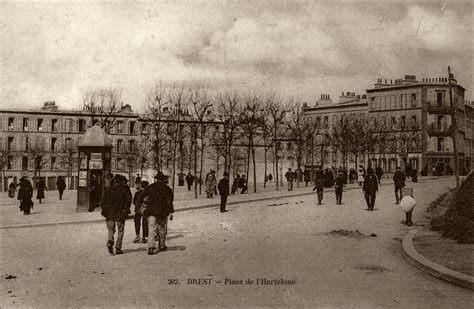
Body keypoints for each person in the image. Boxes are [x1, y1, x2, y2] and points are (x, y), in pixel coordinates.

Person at [142, 172, 174, 255]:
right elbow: (169, 201)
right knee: (162, 228)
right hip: (162, 212)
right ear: (163, 179)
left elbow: (142, 196)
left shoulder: (150, 187)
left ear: (156, 179)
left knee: (151, 229)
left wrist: (145, 204)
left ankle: (151, 247)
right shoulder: (167, 188)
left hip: (151, 211)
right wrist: (171, 211)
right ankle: (162, 245)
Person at [101, 175, 132, 255]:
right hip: (120, 213)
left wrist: (106, 210)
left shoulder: (108, 190)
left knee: (111, 229)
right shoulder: (125, 189)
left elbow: (103, 202)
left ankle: (110, 240)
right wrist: (125, 209)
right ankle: (118, 248)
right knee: (120, 230)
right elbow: (128, 200)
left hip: (109, 213)